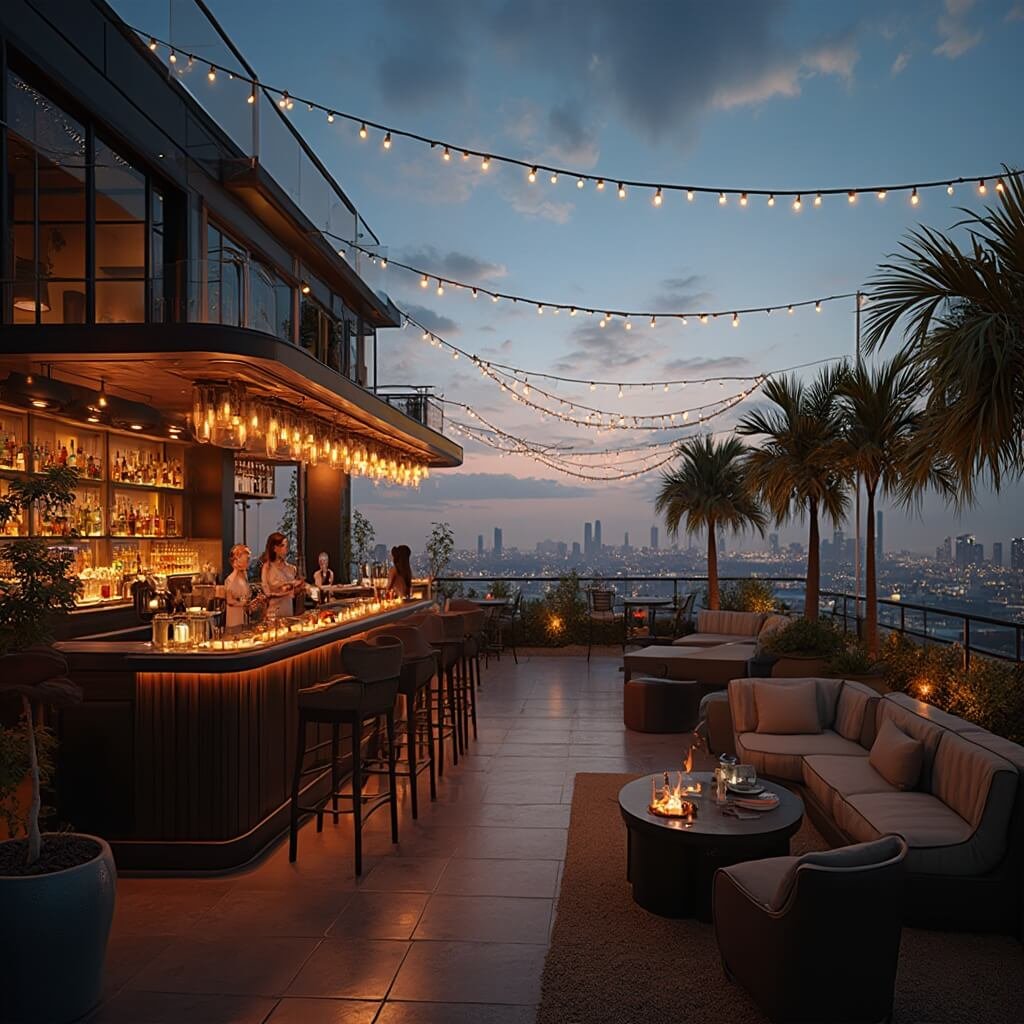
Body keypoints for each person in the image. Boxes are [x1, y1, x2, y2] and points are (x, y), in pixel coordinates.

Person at [261, 531, 304, 618]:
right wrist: (286, 593)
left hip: (288, 610)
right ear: (274, 548)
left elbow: (295, 592)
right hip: (273, 612)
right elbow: (267, 594)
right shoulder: (267, 568)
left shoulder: (291, 568)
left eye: (287, 545)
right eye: (283, 545)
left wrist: (299, 588)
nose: (286, 548)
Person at [224, 544, 254, 630]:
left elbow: (247, 596)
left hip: (244, 618)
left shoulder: (244, 577)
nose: (248, 563)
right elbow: (229, 601)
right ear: (236, 560)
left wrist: (249, 604)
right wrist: (243, 604)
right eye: (247, 560)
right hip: (234, 617)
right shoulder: (230, 579)